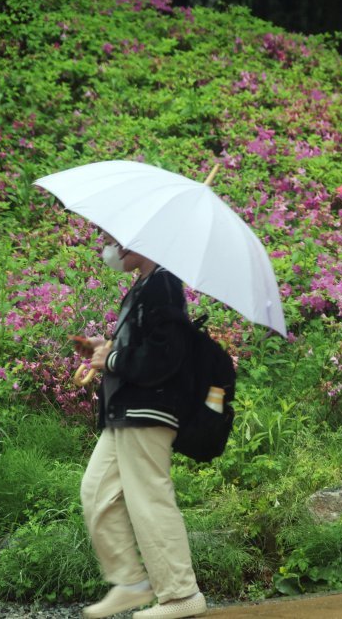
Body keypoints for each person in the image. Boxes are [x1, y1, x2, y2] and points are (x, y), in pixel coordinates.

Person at [75, 239, 207, 619]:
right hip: (126, 410)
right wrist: (106, 347)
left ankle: (182, 594)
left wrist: (113, 357)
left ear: (141, 241)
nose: (109, 248)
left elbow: (166, 355)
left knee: (148, 499)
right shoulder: (145, 284)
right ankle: (130, 582)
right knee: (96, 490)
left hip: (149, 409)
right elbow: (144, 344)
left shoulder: (164, 285)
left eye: (115, 240)